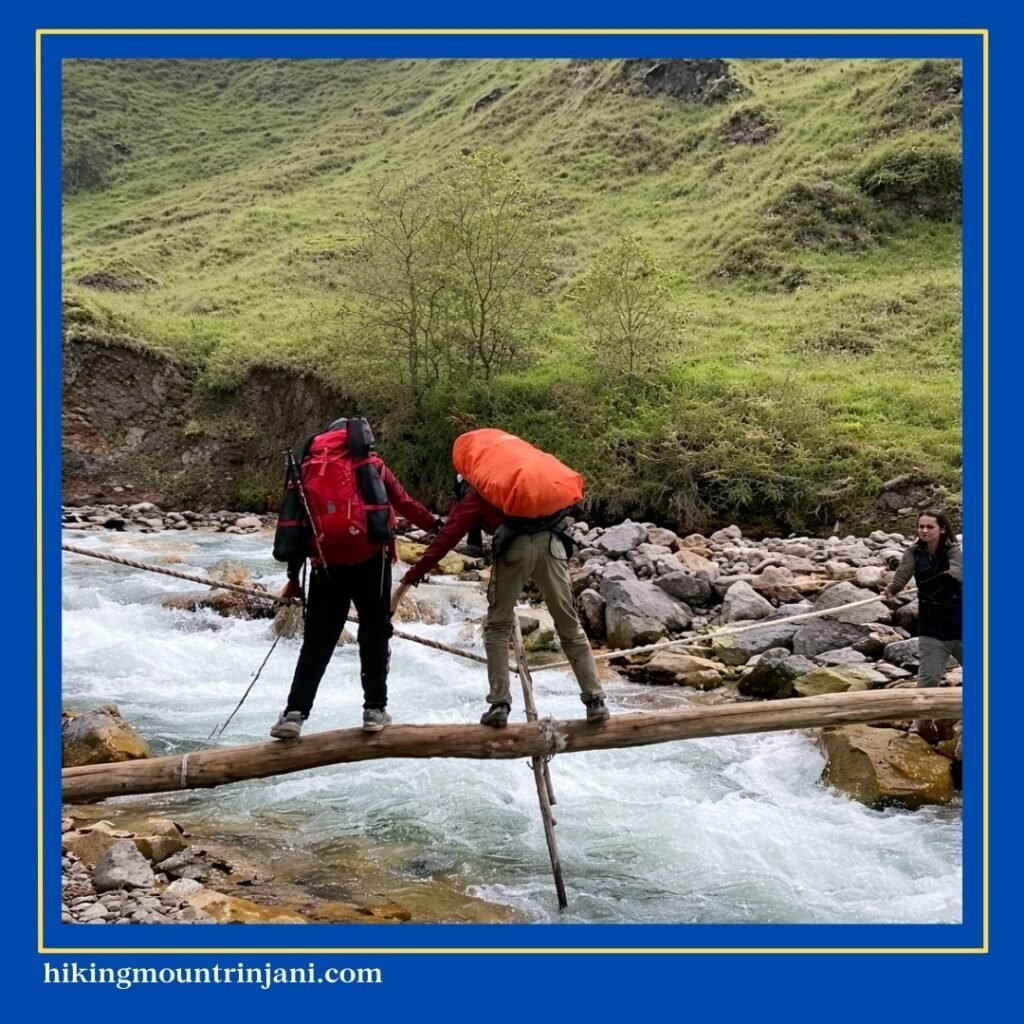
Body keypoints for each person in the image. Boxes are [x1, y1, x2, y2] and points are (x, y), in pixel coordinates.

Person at [390, 468, 609, 729]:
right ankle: (596, 701)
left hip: (515, 549)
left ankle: (499, 704)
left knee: (497, 627)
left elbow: (447, 539)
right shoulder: (523, 482)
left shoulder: (480, 492)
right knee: (569, 625)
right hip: (553, 544)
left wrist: (408, 579)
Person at [270, 417, 440, 739]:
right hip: (370, 560)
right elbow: (402, 501)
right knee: (374, 633)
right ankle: (374, 710)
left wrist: (293, 577)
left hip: (325, 563)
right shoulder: (369, 463)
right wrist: (434, 526)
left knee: (317, 642)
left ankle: (294, 715)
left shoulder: (307, 467)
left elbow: (294, 520)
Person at [882, 509, 963, 735]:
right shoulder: (913, 552)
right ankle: (923, 724)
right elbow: (902, 574)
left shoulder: (954, 551)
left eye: (930, 527)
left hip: (962, 624)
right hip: (931, 626)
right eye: (921, 527)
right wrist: (891, 590)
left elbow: (958, 572)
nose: (924, 530)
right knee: (927, 679)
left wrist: (938, 580)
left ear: (942, 529)